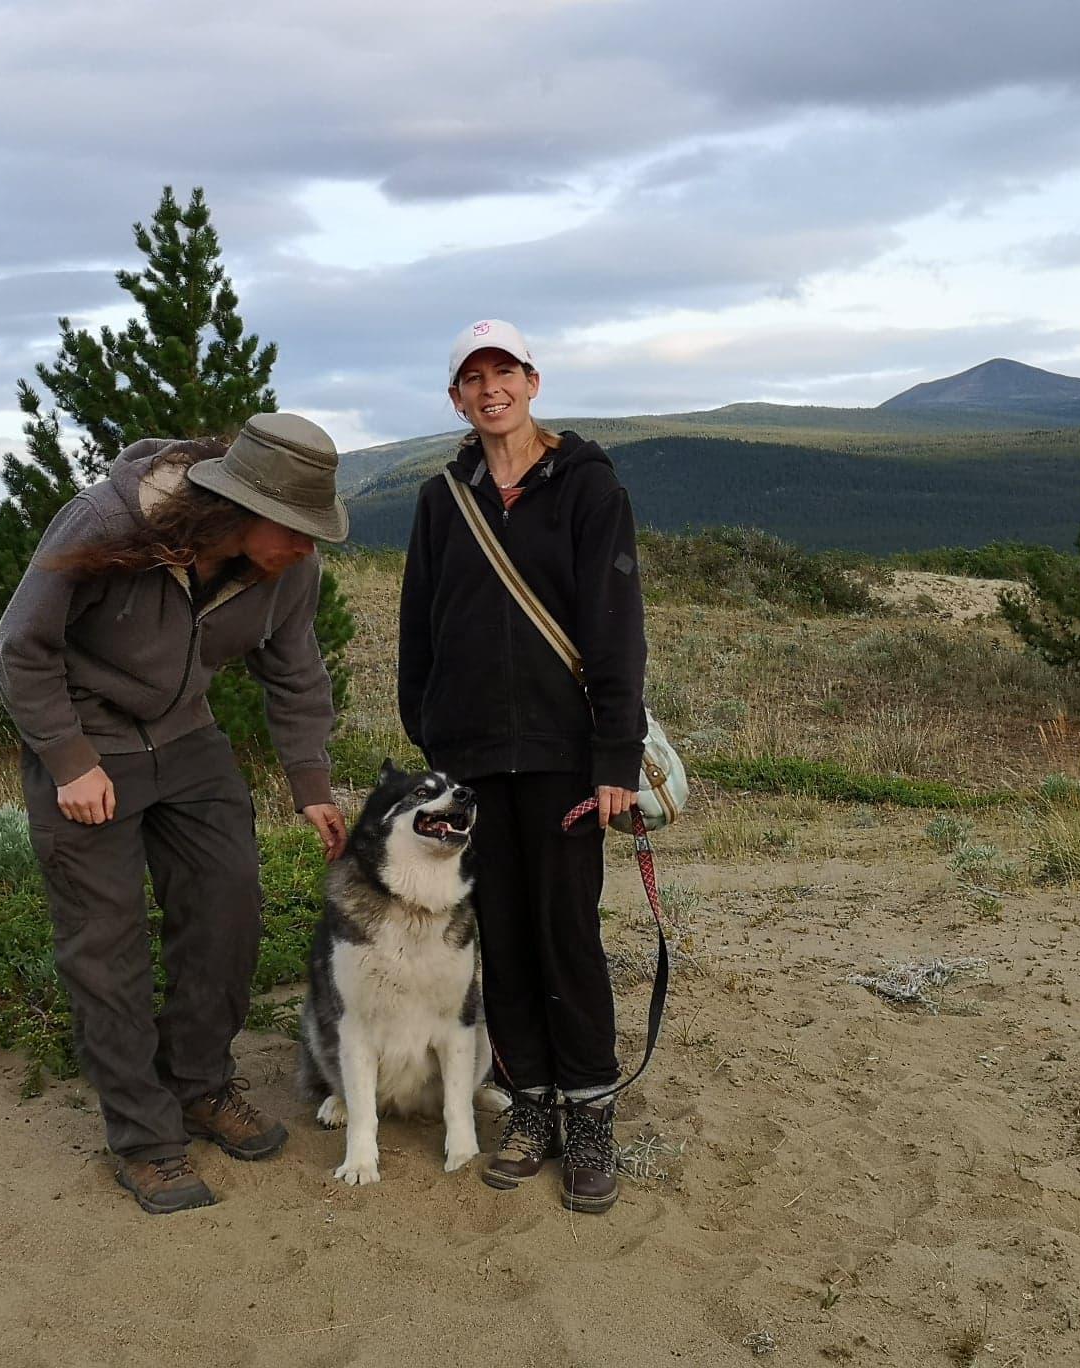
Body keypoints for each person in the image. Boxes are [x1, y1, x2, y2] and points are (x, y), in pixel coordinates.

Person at [0, 412, 351, 1215]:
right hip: (87, 742)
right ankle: (145, 1139)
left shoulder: (288, 566)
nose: (306, 548)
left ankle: (198, 1084)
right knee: (106, 944)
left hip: (187, 737)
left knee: (229, 905)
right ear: (240, 507)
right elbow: (22, 645)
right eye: (295, 529)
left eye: (315, 532)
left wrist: (312, 781)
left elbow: (295, 668)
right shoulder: (108, 521)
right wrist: (69, 760)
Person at [397, 320, 647, 1213]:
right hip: (470, 761)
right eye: (473, 377)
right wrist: (429, 732)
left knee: (565, 936)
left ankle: (591, 1117)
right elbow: (418, 625)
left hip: (563, 756)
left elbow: (615, 626)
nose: (490, 388)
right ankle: (532, 1106)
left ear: (533, 382)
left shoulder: (588, 487)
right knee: (498, 939)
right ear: (456, 398)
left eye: (504, 371)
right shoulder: (442, 500)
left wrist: (615, 755)